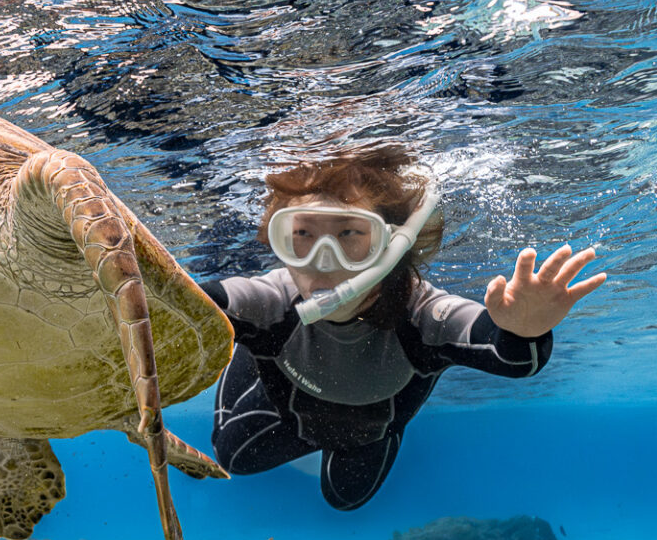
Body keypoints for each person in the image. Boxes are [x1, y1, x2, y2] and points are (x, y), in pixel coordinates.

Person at [196, 143, 607, 510]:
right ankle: (246, 344)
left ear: (393, 243)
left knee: (345, 500)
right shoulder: (271, 300)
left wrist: (523, 328)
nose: (322, 259)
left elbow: (514, 359)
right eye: (301, 233)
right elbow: (193, 303)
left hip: (367, 433)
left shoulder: (422, 313)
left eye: (349, 233)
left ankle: (251, 341)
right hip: (288, 414)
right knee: (234, 456)